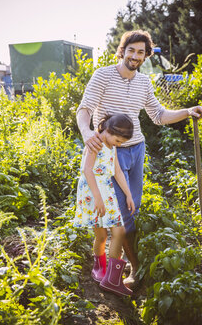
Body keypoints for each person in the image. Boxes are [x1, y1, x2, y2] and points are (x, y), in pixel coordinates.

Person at [76, 29, 202, 290]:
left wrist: (187, 111)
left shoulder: (144, 82)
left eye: (141, 52)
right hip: (112, 151)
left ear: (146, 56)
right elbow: (85, 108)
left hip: (136, 150)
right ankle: (128, 269)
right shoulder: (103, 75)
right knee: (121, 214)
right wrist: (88, 132)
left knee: (131, 207)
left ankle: (120, 265)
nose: (135, 56)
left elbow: (157, 114)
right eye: (131, 50)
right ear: (122, 50)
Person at [74, 113, 135, 296]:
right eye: (117, 140)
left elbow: (117, 171)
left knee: (114, 232)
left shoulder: (111, 145)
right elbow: (87, 169)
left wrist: (128, 194)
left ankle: (110, 276)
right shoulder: (96, 142)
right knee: (104, 235)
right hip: (94, 192)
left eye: (121, 142)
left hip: (106, 191)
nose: (118, 144)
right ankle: (103, 272)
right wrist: (97, 198)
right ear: (108, 130)